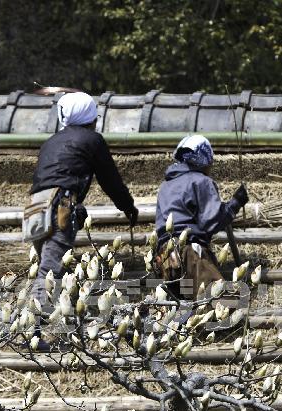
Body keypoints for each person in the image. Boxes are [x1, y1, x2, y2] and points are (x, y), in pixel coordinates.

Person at [24, 92, 138, 348]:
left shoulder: (52, 141)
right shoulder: (92, 140)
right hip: (60, 206)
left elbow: (55, 177)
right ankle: (33, 335)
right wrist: (128, 206)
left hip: (35, 206)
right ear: (90, 117)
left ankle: (68, 328)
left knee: (49, 267)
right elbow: (110, 180)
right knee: (50, 271)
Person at [153, 135, 248, 299]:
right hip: (189, 252)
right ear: (204, 158)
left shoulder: (166, 185)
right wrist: (235, 204)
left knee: (180, 311)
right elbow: (212, 221)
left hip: (164, 256)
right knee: (220, 306)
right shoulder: (200, 181)